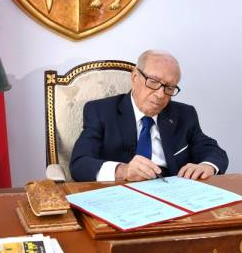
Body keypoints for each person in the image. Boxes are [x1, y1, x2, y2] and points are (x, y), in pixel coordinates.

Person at [70, 50, 228, 181]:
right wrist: (123, 171)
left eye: (170, 87)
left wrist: (206, 166)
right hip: (122, 195)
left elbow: (213, 151)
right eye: (153, 82)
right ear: (134, 78)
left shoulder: (185, 114)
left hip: (173, 195)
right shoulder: (101, 111)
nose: (160, 94)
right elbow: (80, 164)